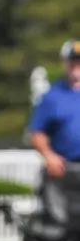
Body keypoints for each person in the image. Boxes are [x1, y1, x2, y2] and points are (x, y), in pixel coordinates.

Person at [29, 40, 80, 180]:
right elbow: (37, 132)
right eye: (73, 61)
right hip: (66, 170)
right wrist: (48, 155)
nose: (76, 66)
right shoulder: (51, 96)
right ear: (65, 62)